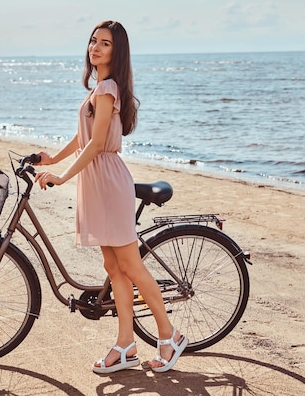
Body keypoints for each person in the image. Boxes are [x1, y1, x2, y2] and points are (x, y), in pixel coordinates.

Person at [34, 20, 188, 374]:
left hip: (108, 181)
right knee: (114, 267)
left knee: (131, 265)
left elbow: (98, 143)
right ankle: (126, 345)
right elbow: (84, 136)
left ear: (116, 52)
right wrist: (53, 158)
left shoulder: (107, 88)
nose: (96, 47)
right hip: (98, 180)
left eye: (105, 43)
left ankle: (169, 335)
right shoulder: (98, 89)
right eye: (93, 41)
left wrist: (61, 175)